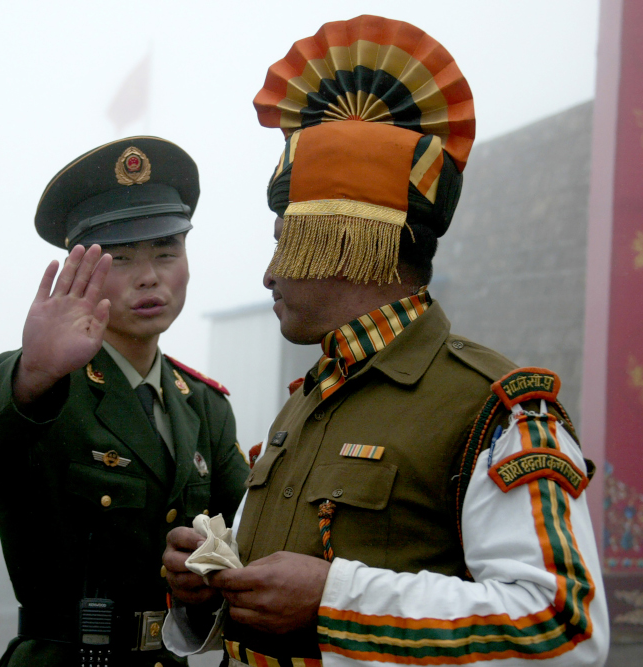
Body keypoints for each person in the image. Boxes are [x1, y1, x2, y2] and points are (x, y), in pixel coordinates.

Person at [162, 15, 609, 667]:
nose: (268, 273)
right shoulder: (306, 403)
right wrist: (205, 597)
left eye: (284, 238)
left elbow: (566, 628)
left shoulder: (494, 408)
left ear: (342, 236)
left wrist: (337, 600)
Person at [0, 136, 250, 667]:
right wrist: (31, 373)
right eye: (122, 258)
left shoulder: (204, 406)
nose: (150, 276)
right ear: (82, 273)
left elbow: (246, 529)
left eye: (167, 252)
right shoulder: (45, 383)